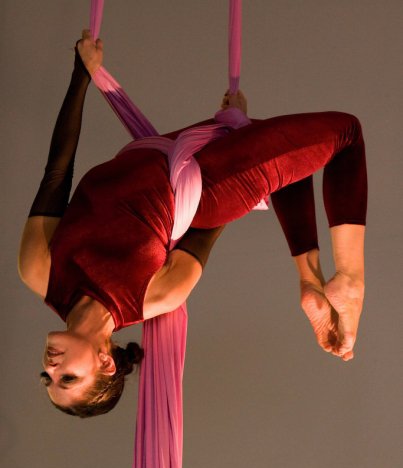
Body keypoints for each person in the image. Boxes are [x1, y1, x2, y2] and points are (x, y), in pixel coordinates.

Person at [18, 31, 367, 417]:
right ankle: (350, 280)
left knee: (291, 161)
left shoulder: (39, 269)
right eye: (68, 378)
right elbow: (207, 224)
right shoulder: (155, 296)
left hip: (165, 148)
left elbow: (57, 172)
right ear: (105, 363)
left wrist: (81, 74)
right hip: (206, 184)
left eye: (47, 378)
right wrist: (235, 140)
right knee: (345, 135)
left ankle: (309, 279)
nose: (52, 368)